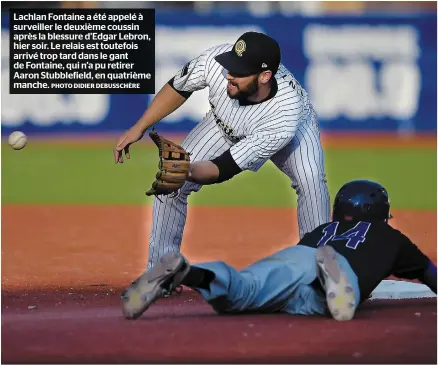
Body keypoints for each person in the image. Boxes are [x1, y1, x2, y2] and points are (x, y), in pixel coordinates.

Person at [113, 31, 330, 270]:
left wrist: (187, 169)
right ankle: (161, 270)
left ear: (264, 76)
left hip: (295, 132)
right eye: (230, 66)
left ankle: (317, 270)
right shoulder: (214, 61)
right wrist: (140, 127)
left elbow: (224, 167)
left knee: (311, 181)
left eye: (239, 71)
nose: (229, 74)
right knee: (171, 181)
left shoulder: (285, 115)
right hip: (223, 123)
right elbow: (179, 86)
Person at [121, 180, 437, 321]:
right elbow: (430, 274)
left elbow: (298, 265)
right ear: (381, 211)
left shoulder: (321, 230)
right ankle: (336, 280)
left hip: (298, 256)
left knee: (242, 291)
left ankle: (187, 272)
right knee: (336, 301)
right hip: (333, 272)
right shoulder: (391, 238)